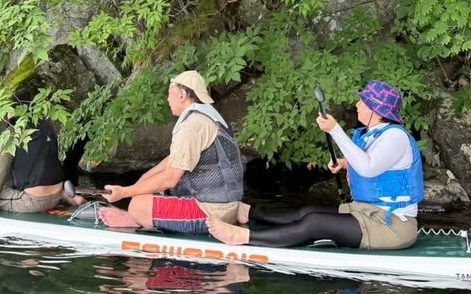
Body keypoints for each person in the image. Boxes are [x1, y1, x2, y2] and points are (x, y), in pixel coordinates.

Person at [207, 80, 423, 250]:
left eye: (363, 102)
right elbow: (375, 163)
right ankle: (249, 213)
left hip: (391, 225)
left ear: (376, 110)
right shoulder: (373, 134)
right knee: (307, 211)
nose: (357, 105)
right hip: (367, 211)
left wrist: (335, 130)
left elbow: (368, 167)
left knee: (314, 223)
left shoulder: (396, 136)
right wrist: (344, 163)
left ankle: (242, 237)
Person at [99, 70, 244, 234]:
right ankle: (139, 218)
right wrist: (140, 183)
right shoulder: (208, 117)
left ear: (182, 94)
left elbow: (170, 179)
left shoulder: (191, 125)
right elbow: (173, 159)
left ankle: (134, 218)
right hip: (226, 207)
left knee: (138, 206)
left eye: (170, 93)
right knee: (147, 188)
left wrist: (123, 193)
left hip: (211, 214)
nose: (168, 99)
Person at [0, 117, 84, 214]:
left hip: (34, 201)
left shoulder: (12, 132)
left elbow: (1, 171)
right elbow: (42, 162)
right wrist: (3, 153)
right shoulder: (45, 125)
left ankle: (57, 198)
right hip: (57, 191)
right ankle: (68, 196)